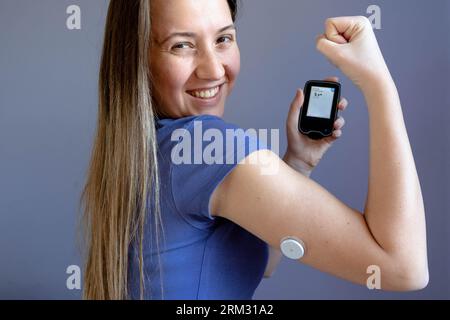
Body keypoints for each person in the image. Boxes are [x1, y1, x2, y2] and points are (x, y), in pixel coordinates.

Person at [80, 0, 429, 300]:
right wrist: (379, 85)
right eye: (181, 45)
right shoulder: (206, 143)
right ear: (137, 57)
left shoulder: (146, 148)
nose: (214, 69)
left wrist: (299, 161)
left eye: (223, 39)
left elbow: (258, 261)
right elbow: (403, 267)